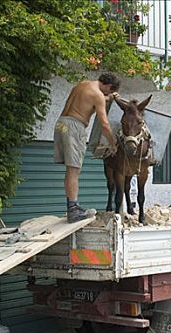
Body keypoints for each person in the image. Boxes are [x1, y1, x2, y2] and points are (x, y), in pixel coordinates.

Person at [54, 73, 120, 223]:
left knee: (70, 169)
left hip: (61, 124)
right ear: (109, 87)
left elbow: (92, 99)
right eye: (109, 92)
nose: (107, 95)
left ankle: (72, 206)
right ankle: (73, 210)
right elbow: (104, 124)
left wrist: (108, 98)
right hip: (75, 127)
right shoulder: (98, 95)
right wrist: (112, 143)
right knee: (74, 170)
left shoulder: (83, 84)